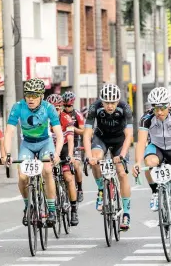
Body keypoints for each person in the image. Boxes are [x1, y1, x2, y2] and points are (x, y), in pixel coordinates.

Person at [132, 87, 171, 245]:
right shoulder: (146, 118)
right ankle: (155, 193)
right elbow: (141, 142)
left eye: (163, 107)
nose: (159, 112)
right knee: (149, 162)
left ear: (168, 105)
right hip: (156, 148)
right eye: (156, 108)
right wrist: (137, 162)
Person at [4, 78, 64, 226]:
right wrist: (7, 154)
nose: (30, 99)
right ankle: (28, 207)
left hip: (45, 143)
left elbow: (59, 134)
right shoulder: (18, 107)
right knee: (23, 177)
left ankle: (51, 210)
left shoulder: (49, 108)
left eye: (34, 96)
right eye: (28, 95)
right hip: (28, 144)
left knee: (48, 171)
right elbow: (9, 132)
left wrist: (56, 154)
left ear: (41, 96)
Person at [83, 83, 133, 230]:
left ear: (118, 101)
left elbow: (129, 134)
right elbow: (87, 134)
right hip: (101, 138)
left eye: (113, 102)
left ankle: (126, 213)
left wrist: (122, 155)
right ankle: (100, 189)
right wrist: (88, 156)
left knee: (121, 173)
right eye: (107, 102)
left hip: (119, 140)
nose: (110, 106)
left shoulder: (125, 108)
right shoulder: (94, 108)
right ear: (101, 101)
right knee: (95, 159)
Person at [47, 94, 79, 226]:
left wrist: (70, 154)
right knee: (48, 176)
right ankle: (51, 207)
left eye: (58, 108)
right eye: (53, 108)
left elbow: (70, 138)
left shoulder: (66, 118)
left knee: (68, 178)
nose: (56, 111)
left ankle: (73, 210)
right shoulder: (44, 119)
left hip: (64, 147)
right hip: (49, 149)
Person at [62, 91, 85, 202]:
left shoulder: (77, 114)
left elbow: (83, 131)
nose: (67, 108)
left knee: (76, 165)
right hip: (63, 142)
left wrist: (71, 128)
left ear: (73, 104)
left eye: (69, 106)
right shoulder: (60, 114)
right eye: (65, 105)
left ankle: (80, 189)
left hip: (75, 142)